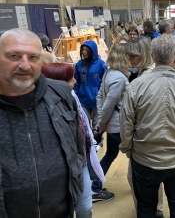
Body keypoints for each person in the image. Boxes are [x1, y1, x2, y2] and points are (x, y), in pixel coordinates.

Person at [119, 34, 175, 218]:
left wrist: (129, 149)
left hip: (144, 160)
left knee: (146, 208)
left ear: (151, 55)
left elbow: (126, 125)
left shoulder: (135, 86)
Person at [0, 28, 84, 217]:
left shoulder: (60, 93)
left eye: (33, 57)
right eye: (14, 56)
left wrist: (76, 175)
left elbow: (77, 146)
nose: (24, 65)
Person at [41, 63, 106, 217]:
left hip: (79, 161)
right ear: (58, 82)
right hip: (59, 168)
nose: (75, 81)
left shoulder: (73, 97)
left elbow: (82, 128)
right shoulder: (44, 108)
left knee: (85, 208)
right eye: (70, 78)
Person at [125, 37, 164, 218]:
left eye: (132, 56)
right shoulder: (147, 73)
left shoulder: (145, 77)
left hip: (146, 135)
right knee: (151, 178)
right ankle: (155, 210)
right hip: (154, 133)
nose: (129, 60)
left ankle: (152, 211)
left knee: (138, 178)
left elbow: (133, 114)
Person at [92, 43, 130, 202]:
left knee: (110, 155)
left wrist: (102, 119)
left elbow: (100, 97)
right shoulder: (119, 78)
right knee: (136, 156)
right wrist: (102, 122)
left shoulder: (109, 73)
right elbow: (109, 103)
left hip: (112, 125)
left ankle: (95, 187)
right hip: (118, 126)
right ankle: (95, 187)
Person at [74, 40, 108, 127]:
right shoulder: (79, 64)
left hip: (97, 100)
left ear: (93, 51)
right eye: (82, 50)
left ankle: (98, 141)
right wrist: (75, 95)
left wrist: (104, 97)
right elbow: (76, 81)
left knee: (97, 124)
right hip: (83, 99)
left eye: (86, 50)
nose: (84, 52)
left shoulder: (101, 64)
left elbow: (105, 82)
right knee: (84, 125)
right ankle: (87, 141)